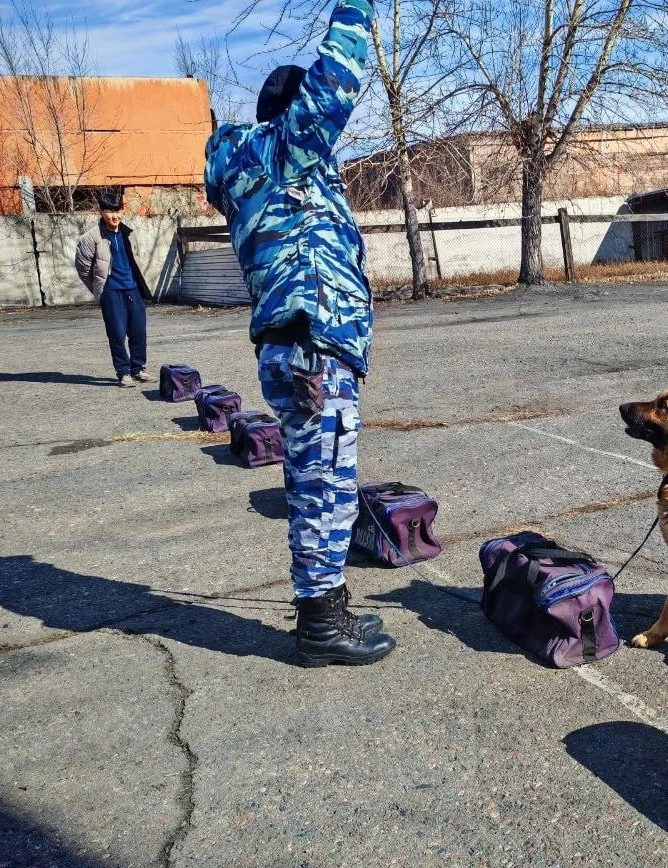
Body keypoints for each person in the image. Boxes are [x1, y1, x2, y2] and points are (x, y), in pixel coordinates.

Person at [203, 0, 395, 667]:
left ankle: (328, 608)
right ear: (293, 119)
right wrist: (356, 9)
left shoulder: (254, 174)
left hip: (295, 344)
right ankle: (320, 625)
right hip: (313, 346)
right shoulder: (287, 152)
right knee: (324, 487)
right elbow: (339, 74)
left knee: (319, 482)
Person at [74, 192, 153, 388]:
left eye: (117, 210)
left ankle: (138, 369)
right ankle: (123, 372)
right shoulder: (91, 237)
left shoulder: (129, 233)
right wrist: (100, 289)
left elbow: (135, 260)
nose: (114, 215)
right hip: (112, 292)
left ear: (122, 211)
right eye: (109, 211)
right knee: (117, 334)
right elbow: (82, 268)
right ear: (100, 211)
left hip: (132, 288)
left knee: (138, 331)